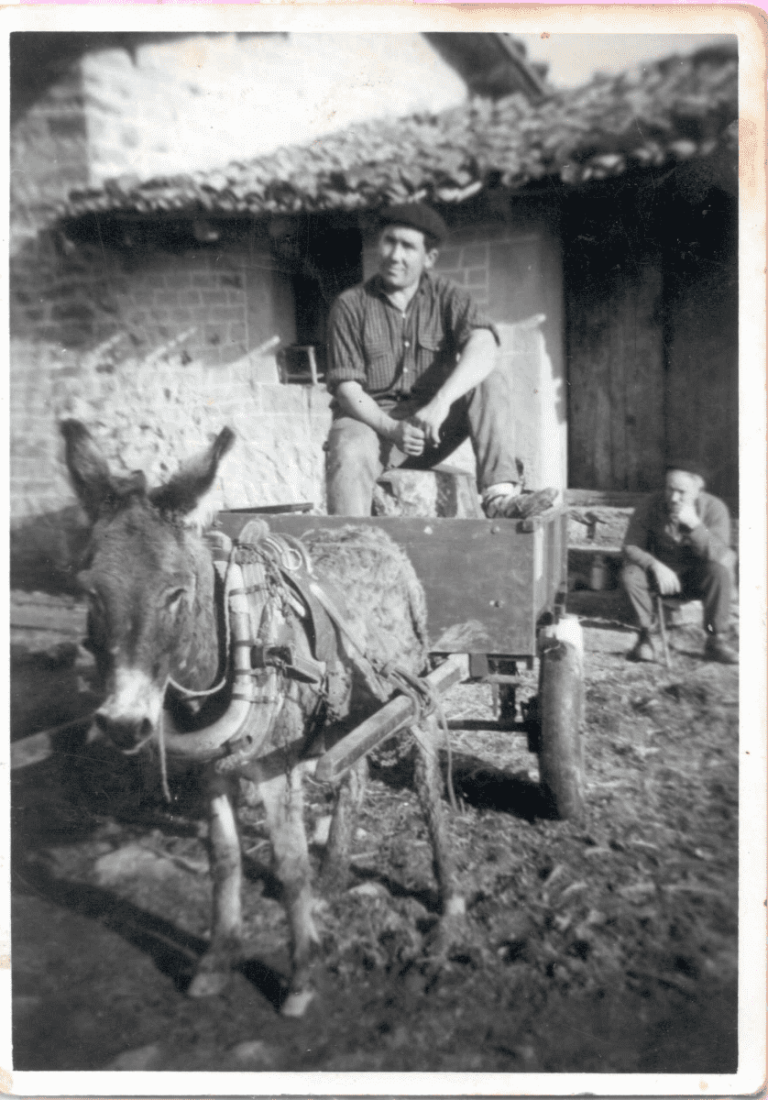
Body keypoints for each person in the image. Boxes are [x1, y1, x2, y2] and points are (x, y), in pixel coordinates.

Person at [324, 202, 555, 518]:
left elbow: (485, 344)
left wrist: (442, 401)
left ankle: (498, 497)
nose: (395, 254)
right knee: (347, 440)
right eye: (389, 241)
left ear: (429, 258)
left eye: (408, 246)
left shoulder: (448, 296)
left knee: (488, 377)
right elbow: (347, 390)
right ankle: (350, 543)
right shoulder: (350, 306)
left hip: (431, 431)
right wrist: (392, 428)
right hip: (373, 431)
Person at [621, 461, 737, 664]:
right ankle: (647, 636)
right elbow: (630, 546)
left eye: (681, 492)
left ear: (698, 491)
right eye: (669, 489)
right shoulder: (650, 505)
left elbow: (719, 554)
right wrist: (654, 565)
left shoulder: (714, 508)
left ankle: (715, 639)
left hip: (695, 577)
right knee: (630, 574)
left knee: (719, 572)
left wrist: (695, 525)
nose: (673, 497)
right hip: (659, 577)